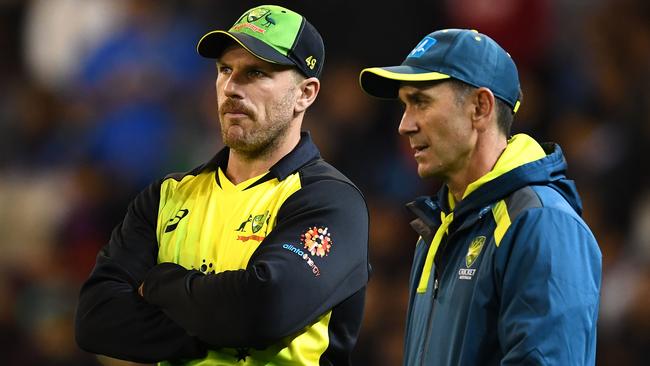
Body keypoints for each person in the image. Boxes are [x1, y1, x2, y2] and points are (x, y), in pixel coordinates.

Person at [75, 5, 370, 365]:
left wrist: (158, 283)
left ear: (305, 94)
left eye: (256, 72)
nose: (231, 87)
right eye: (225, 70)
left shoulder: (330, 201)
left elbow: (265, 311)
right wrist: (216, 331)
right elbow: (95, 319)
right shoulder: (165, 196)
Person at [359, 29, 601, 365]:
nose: (404, 125)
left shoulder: (542, 222)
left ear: (480, 107)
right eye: (404, 105)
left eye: (420, 102)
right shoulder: (438, 226)